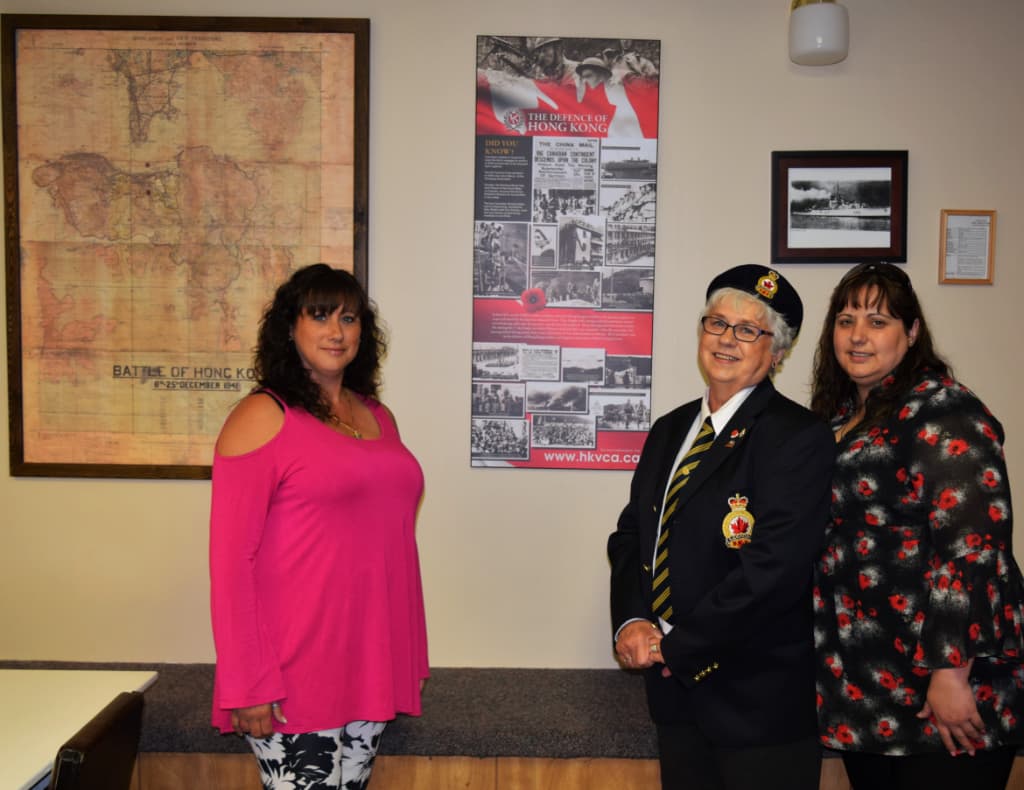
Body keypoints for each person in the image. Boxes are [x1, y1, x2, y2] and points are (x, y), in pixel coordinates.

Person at [608, 264, 835, 790]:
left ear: (776, 353)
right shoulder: (670, 430)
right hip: (676, 700)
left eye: (749, 330)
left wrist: (677, 645)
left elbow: (774, 570)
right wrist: (632, 620)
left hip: (757, 706)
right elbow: (632, 536)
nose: (727, 339)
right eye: (717, 323)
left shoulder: (798, 437)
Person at [209, 264, 428, 790]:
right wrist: (247, 680)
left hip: (368, 663)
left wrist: (403, 655)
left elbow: (388, 540)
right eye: (320, 316)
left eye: (349, 319)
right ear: (290, 328)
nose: (336, 331)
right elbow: (231, 561)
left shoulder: (376, 415)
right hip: (293, 671)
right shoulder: (262, 415)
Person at [812, 262, 1024, 789]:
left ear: (911, 332)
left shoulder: (943, 410)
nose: (857, 335)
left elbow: (973, 547)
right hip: (867, 690)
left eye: (877, 321)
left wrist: (951, 674)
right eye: (845, 320)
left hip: (942, 693)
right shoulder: (840, 418)